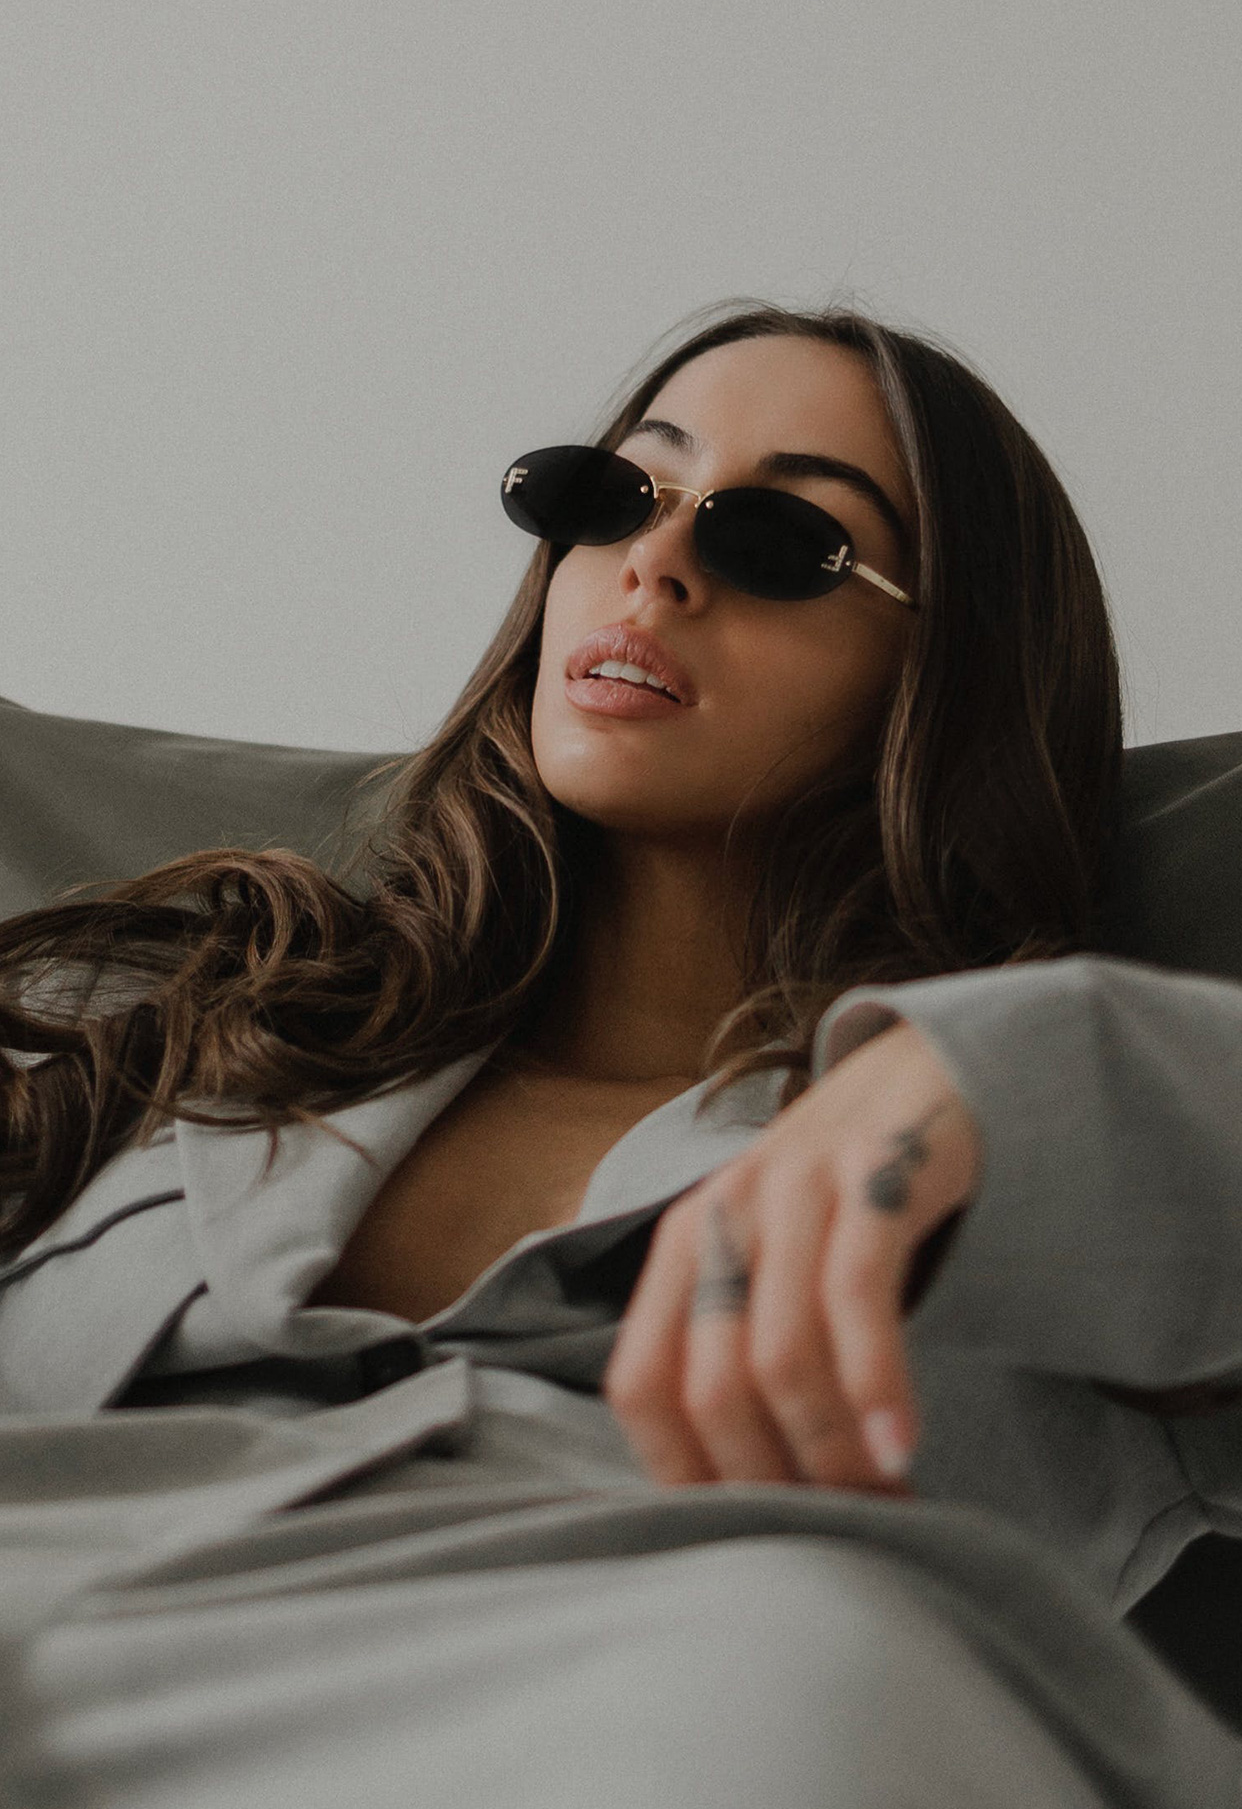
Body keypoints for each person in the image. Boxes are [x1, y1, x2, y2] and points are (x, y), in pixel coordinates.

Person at [0, 299, 1239, 1807]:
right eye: (612, 496)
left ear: (945, 671)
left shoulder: (1049, 1145)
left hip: (682, 1695)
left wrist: (999, 1068)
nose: (653, 563)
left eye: (777, 537)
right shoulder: (177, 1007)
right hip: (60, 1609)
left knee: (803, 1668)